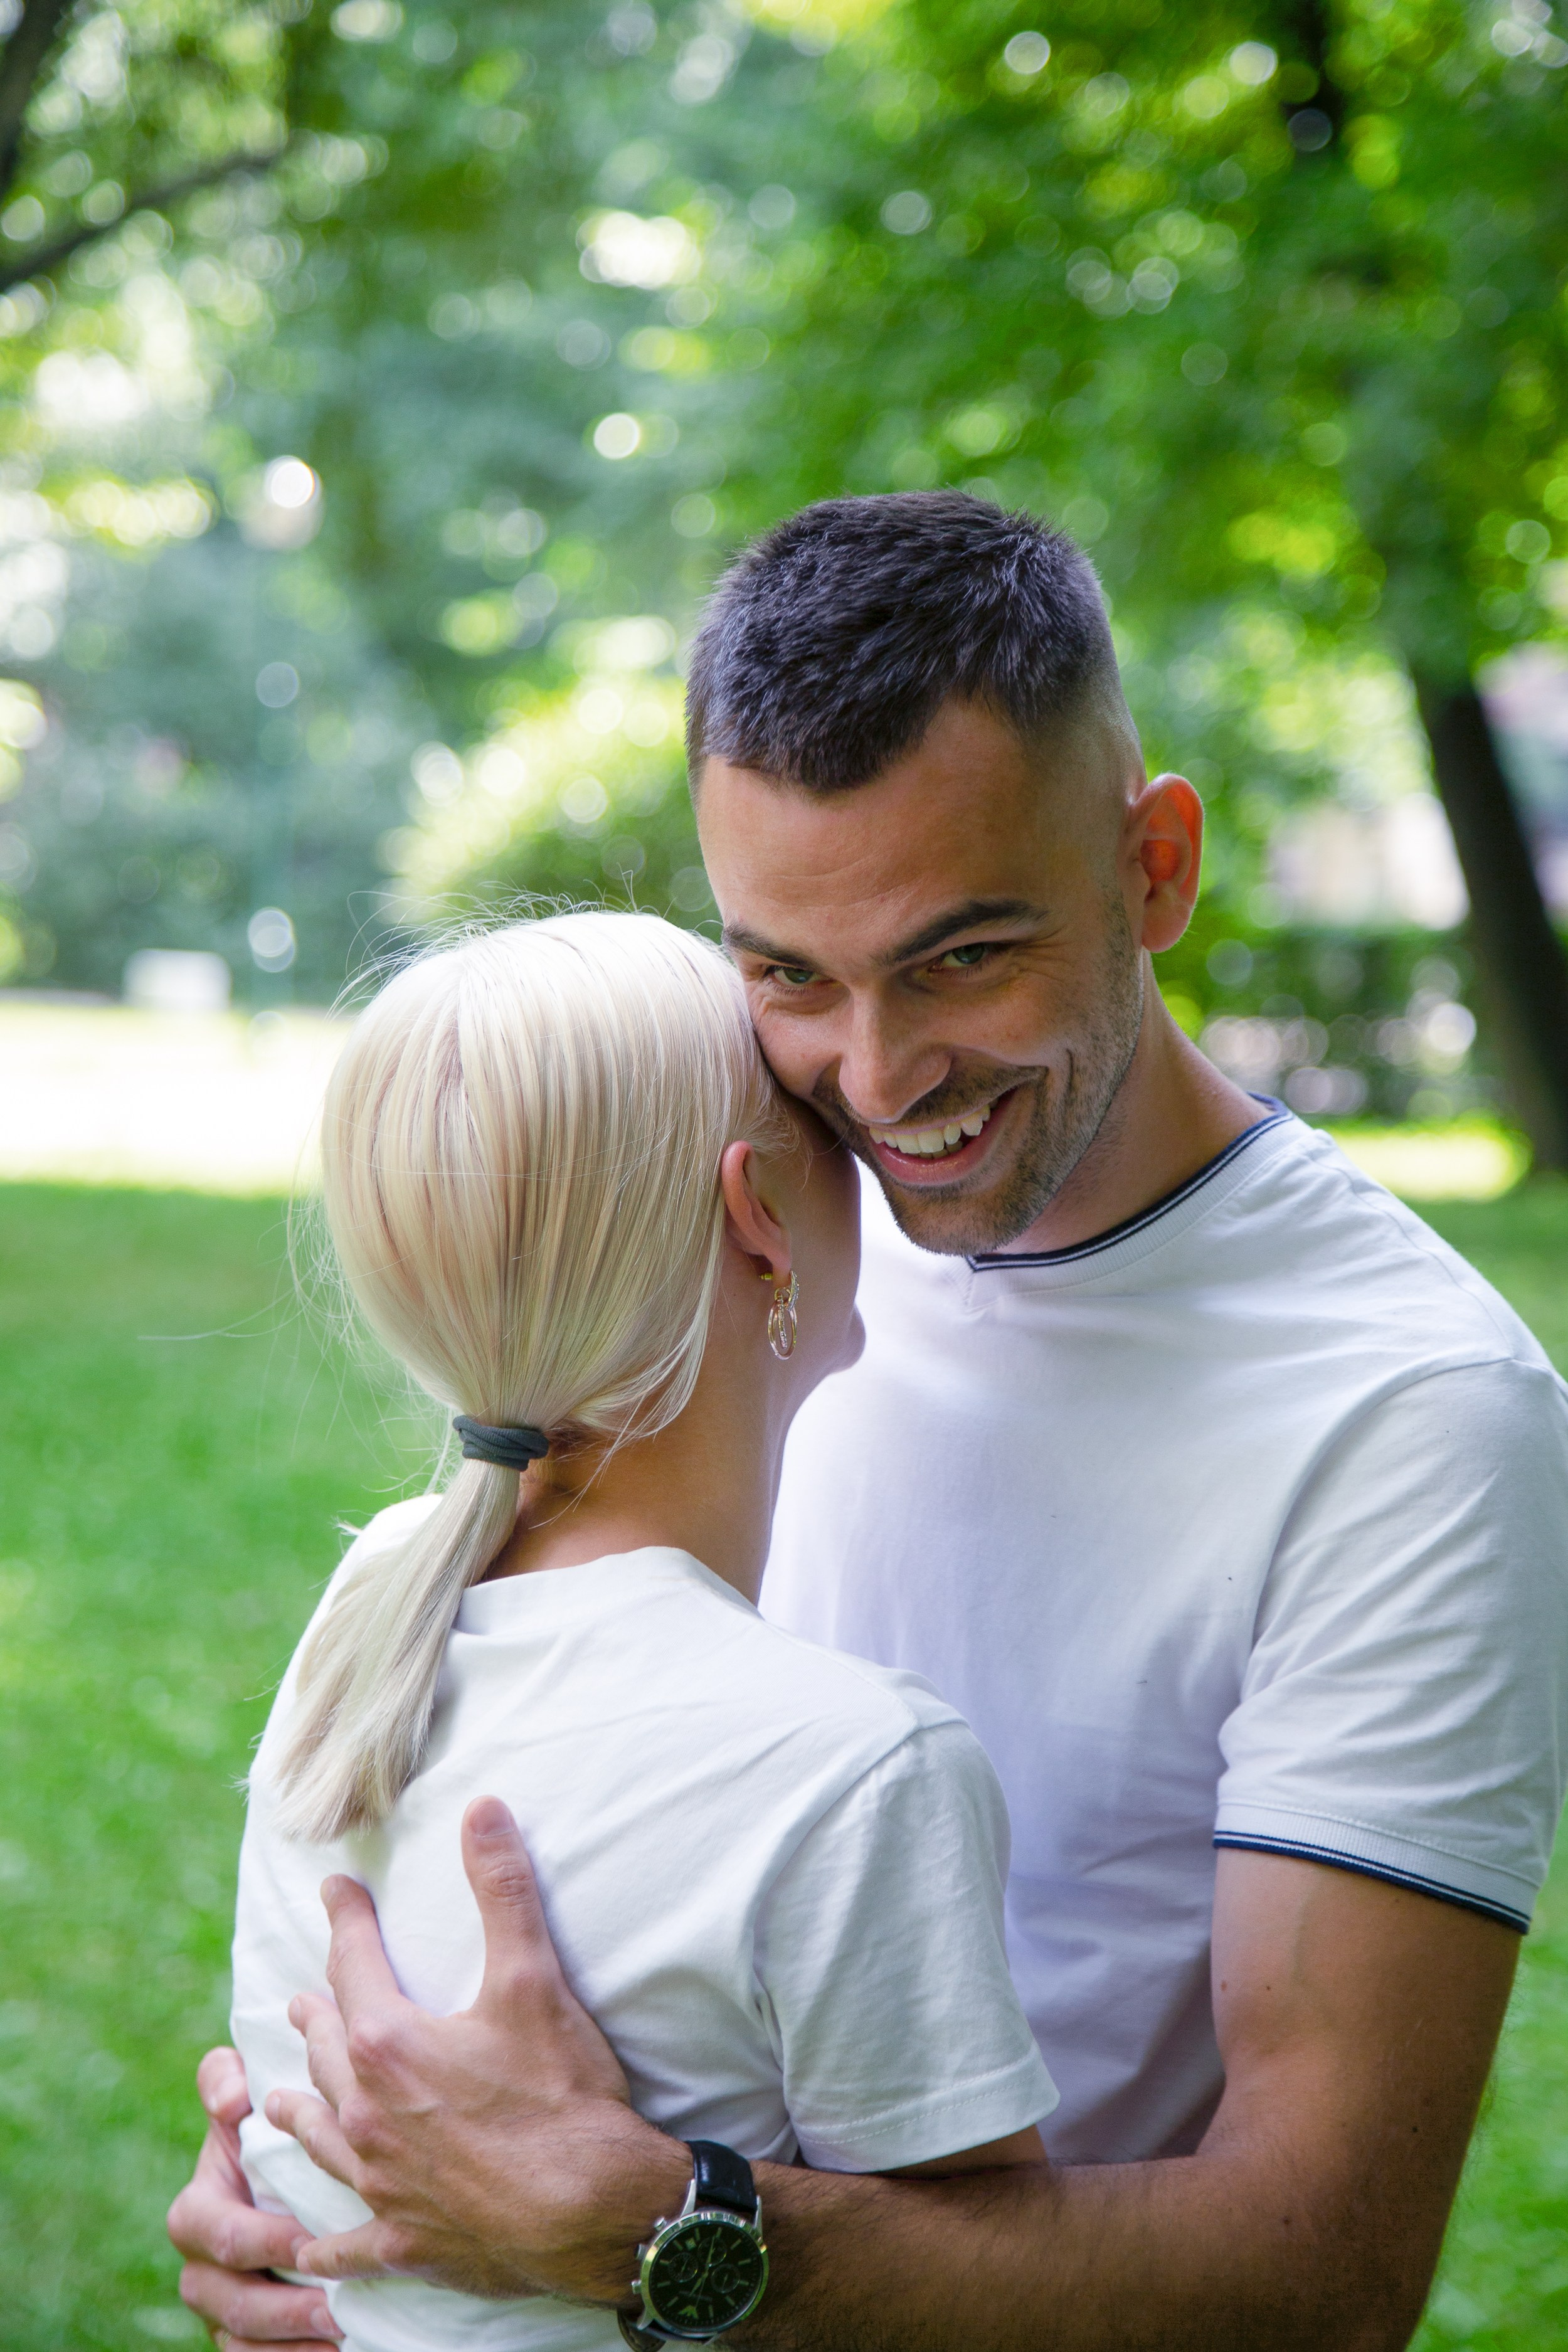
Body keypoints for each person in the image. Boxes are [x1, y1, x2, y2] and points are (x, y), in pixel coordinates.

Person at [172, 494, 1568, 2352]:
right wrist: (326, 2205)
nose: (878, 1077)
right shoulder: (743, 1234)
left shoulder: (1408, 1412)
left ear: (1152, 868)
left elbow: (1319, 2272)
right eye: (786, 972)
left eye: (961, 956)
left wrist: (655, 2231)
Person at [222, 907, 1056, 2352]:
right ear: (758, 1218)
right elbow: (993, 2310)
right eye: (813, 1116)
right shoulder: (854, 1766)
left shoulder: (373, 1609)